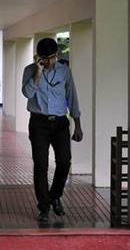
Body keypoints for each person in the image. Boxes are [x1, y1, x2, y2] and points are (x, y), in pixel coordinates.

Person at [21, 37, 83, 223]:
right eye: (45, 58)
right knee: (41, 165)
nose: (49, 61)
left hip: (60, 123)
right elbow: (27, 93)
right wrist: (38, 73)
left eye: (52, 57)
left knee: (64, 162)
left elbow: (72, 96)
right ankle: (44, 207)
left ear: (57, 55)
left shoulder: (65, 71)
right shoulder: (30, 71)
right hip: (38, 123)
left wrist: (77, 124)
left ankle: (54, 195)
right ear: (38, 57)